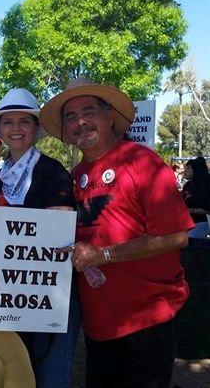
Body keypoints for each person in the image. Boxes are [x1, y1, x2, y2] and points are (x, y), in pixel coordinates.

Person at [39, 78, 195, 388]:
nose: (80, 121)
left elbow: (178, 236)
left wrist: (105, 254)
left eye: (89, 110)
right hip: (99, 327)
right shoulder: (74, 177)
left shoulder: (142, 162)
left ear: (110, 116)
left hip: (148, 320)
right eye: (70, 116)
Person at [0, 88, 79, 388]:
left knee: (49, 371)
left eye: (25, 121)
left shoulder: (52, 172)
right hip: (8, 293)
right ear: (0, 130)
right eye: (8, 122)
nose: (16, 129)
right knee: (13, 370)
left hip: (47, 292)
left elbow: (58, 231)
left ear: (36, 128)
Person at [182, 156, 210, 238]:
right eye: (185, 168)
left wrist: (189, 210)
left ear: (196, 170)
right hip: (185, 225)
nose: (185, 170)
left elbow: (207, 209)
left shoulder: (205, 186)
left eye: (188, 168)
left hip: (199, 225)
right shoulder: (187, 185)